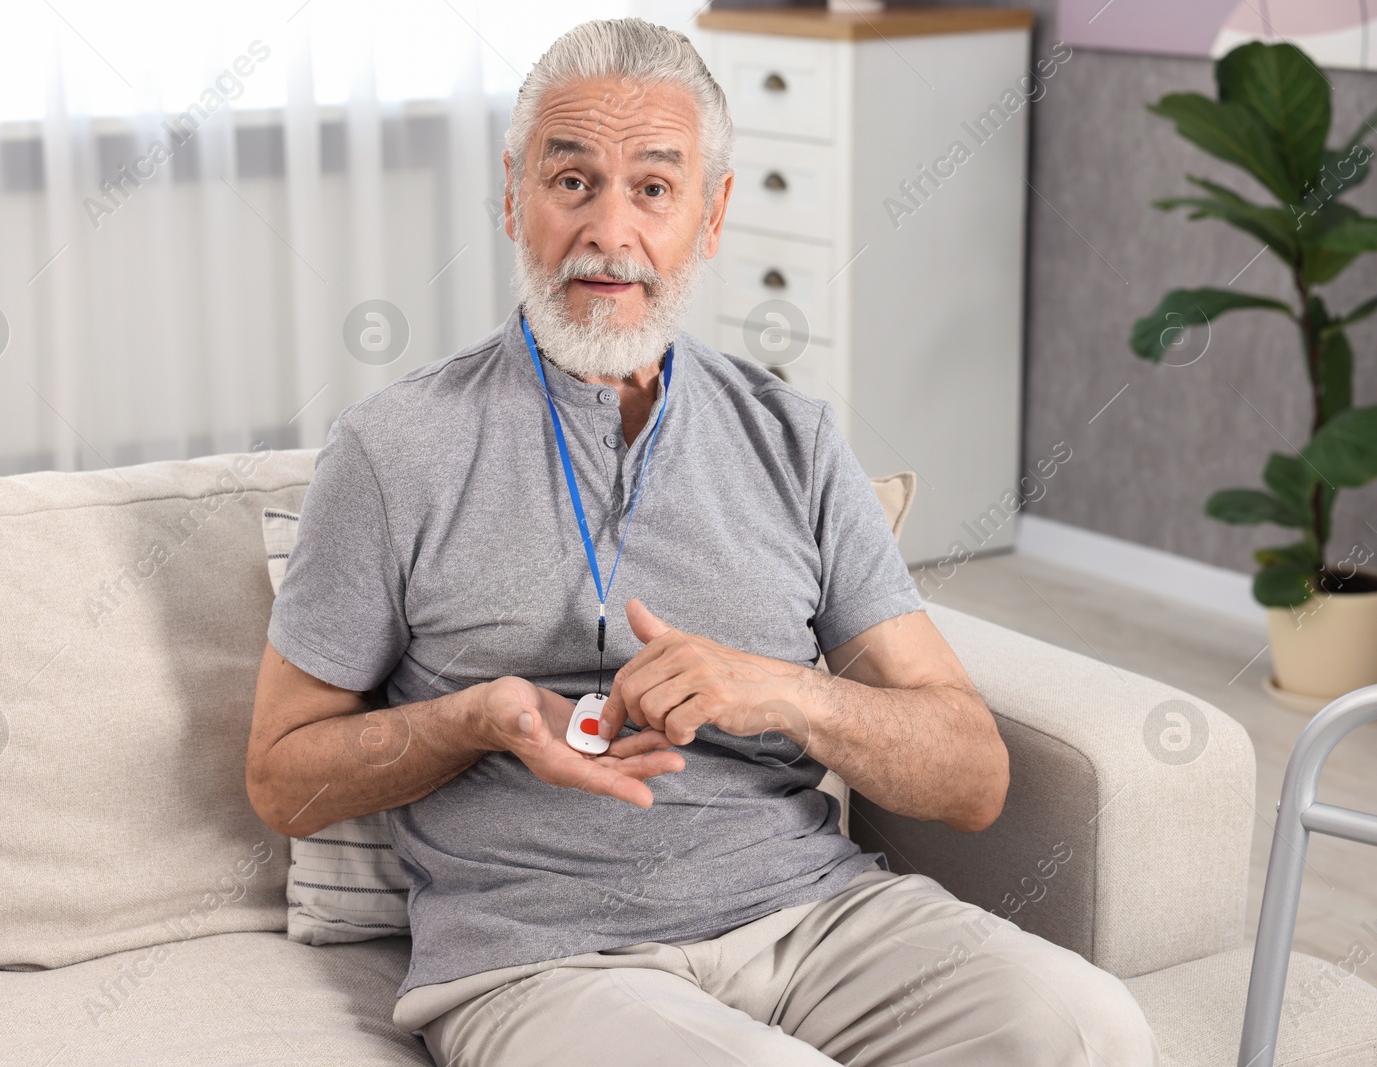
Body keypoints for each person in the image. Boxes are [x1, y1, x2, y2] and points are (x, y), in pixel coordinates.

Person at [246, 17, 1158, 1066]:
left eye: (652, 188)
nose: (608, 233)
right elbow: (280, 774)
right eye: (571, 179)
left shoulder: (795, 440)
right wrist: (474, 719)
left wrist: (784, 690)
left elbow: (971, 774)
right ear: (511, 196)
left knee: (1089, 1027)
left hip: (814, 918)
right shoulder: (392, 447)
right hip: (544, 962)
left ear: (711, 214)